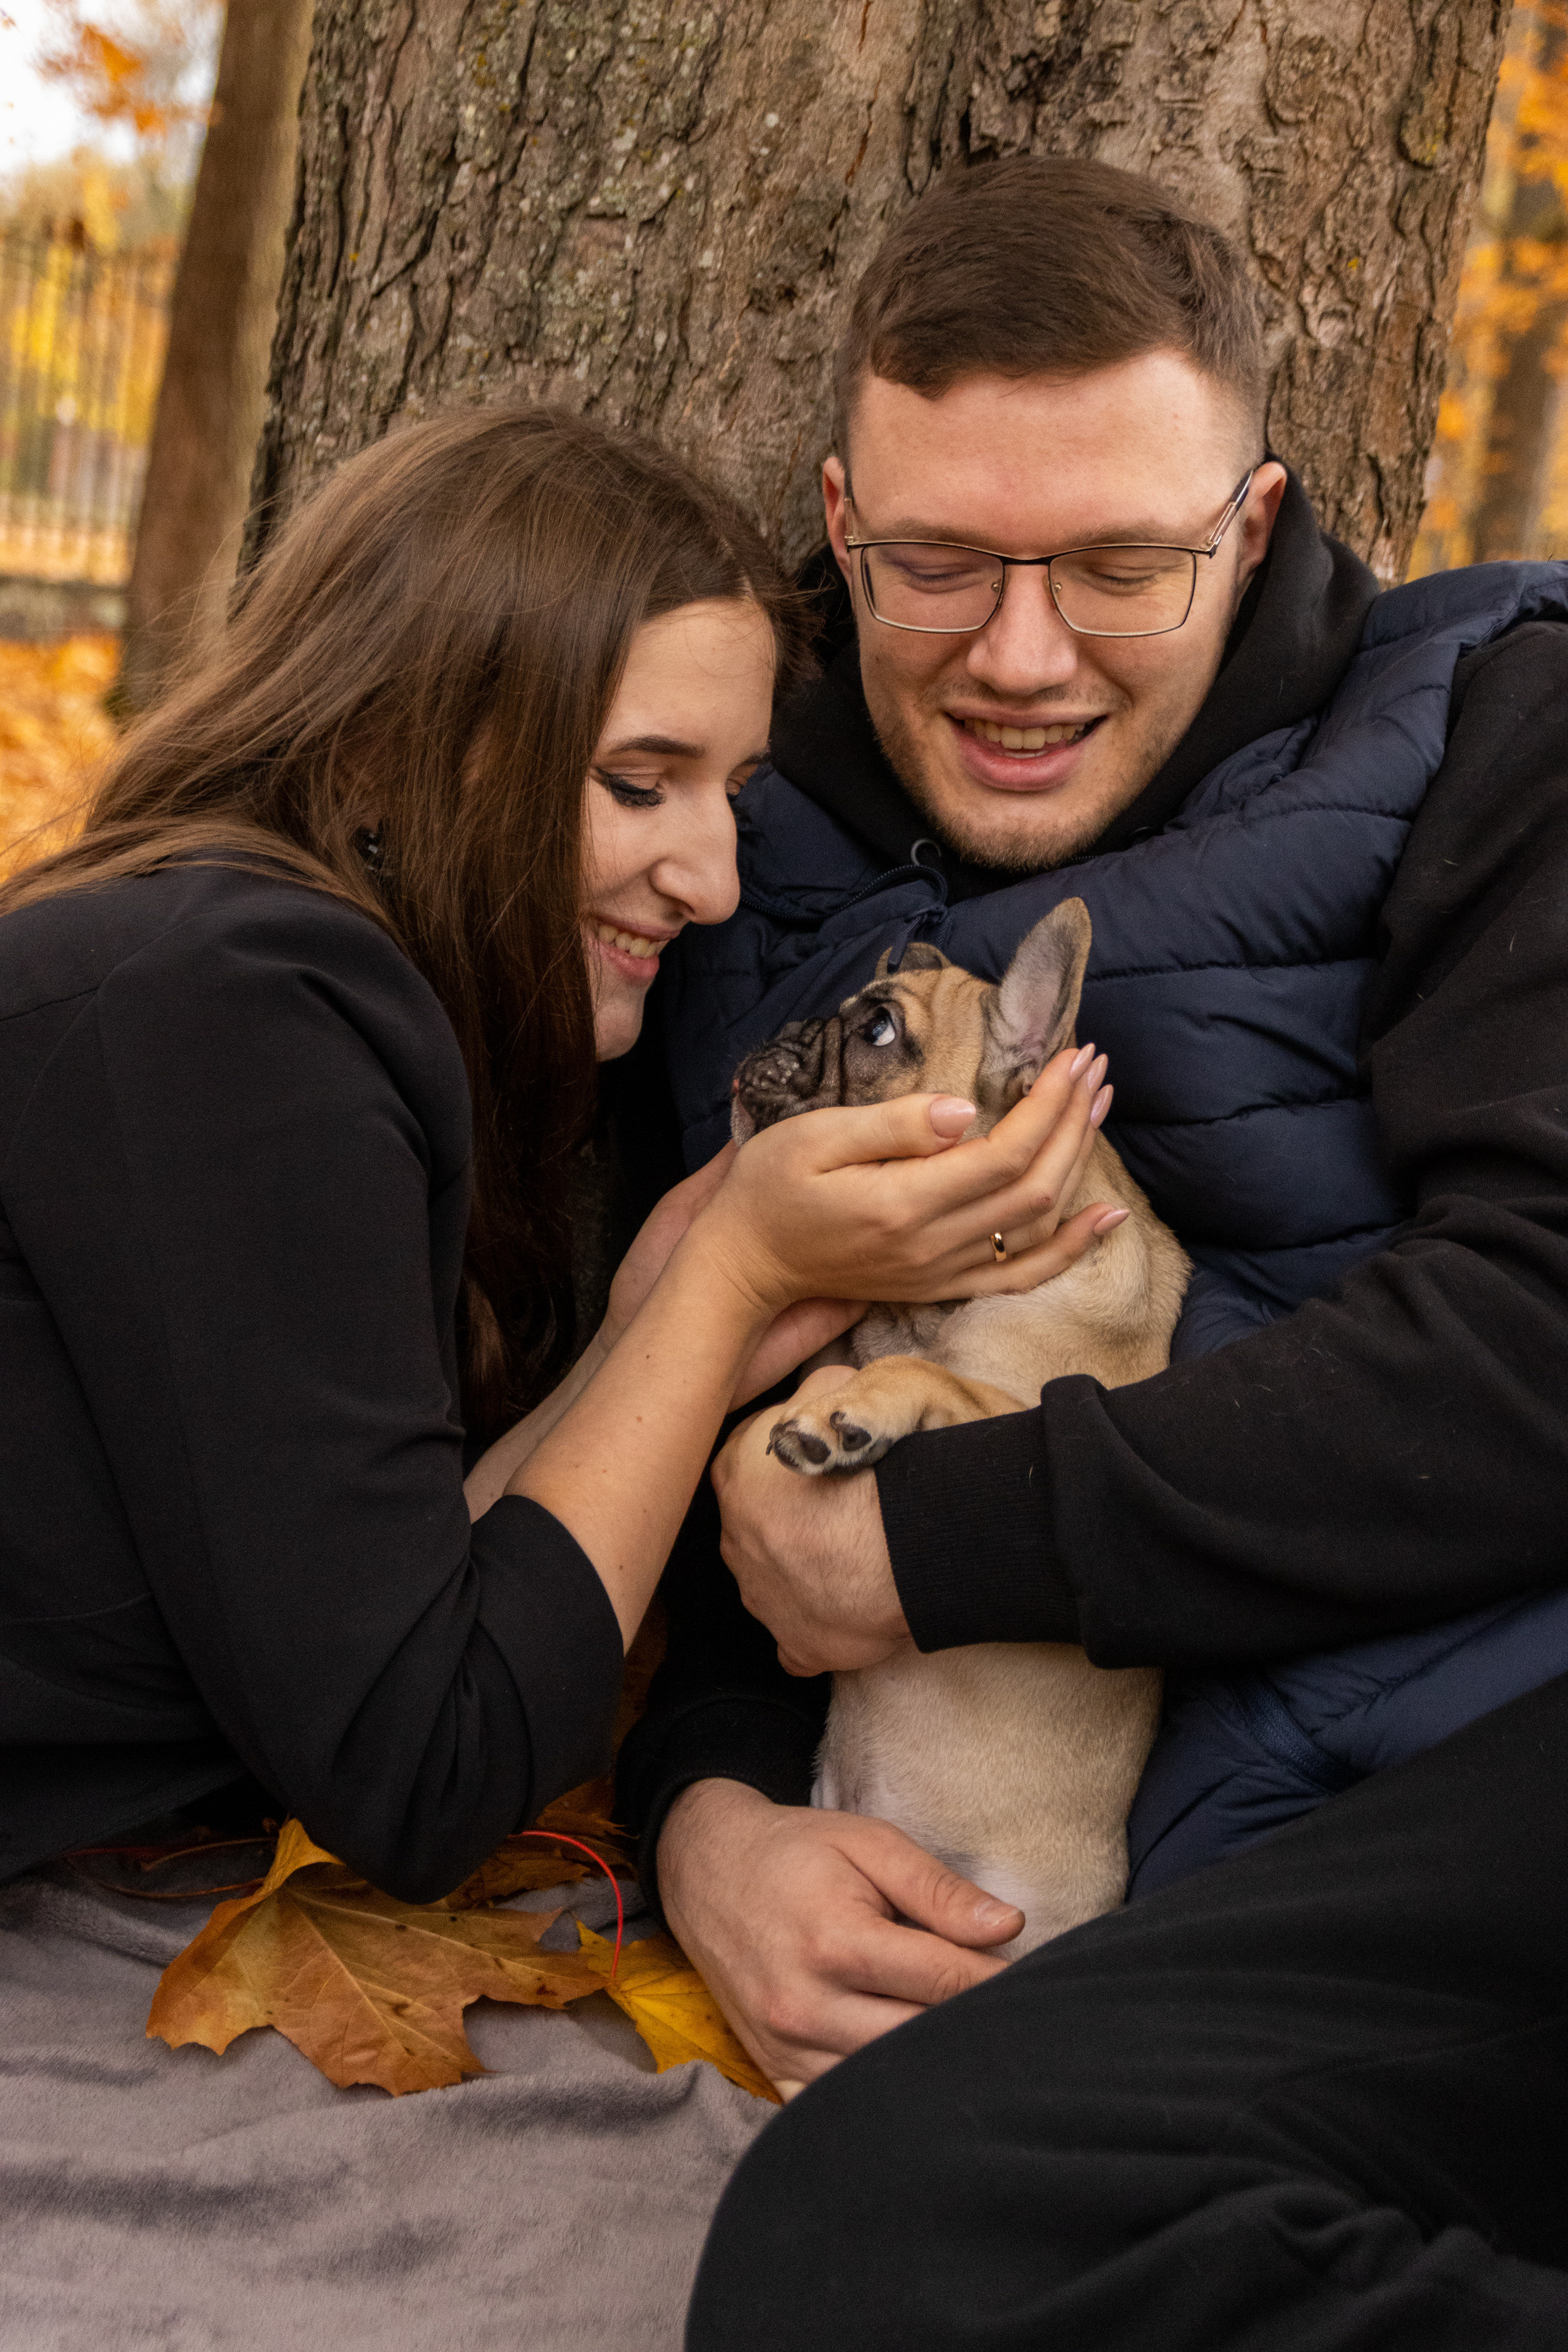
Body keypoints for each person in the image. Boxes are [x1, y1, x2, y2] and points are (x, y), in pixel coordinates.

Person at [609, 163, 1568, 2340]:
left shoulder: (1509, 722)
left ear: (1252, 520)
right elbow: (743, 1496)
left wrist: (970, 1525)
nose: (1020, 657)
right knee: (878, 2243)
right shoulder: (720, 871)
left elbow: (1546, 1335)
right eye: (940, 563)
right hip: (1243, 1924)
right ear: (843, 524)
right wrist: (710, 1823)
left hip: (1524, 1743)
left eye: (1124, 564)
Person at [0, 405, 1115, 1897]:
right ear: (405, 742)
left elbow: (396, 1636)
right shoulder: (237, 1010)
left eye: (733, 796)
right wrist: (732, 1271)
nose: (714, 881)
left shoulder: (254, 979)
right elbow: (427, 1770)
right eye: (639, 783)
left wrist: (670, 1327)